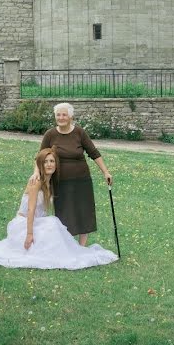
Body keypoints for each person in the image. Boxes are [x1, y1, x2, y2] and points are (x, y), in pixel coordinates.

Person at [0, 149, 118, 269]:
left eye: (52, 161)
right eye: (46, 162)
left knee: (53, 224)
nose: (49, 164)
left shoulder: (50, 182)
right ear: (40, 164)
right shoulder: (36, 182)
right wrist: (29, 234)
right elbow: (30, 211)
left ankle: (70, 252)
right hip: (24, 224)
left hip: (37, 222)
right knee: (53, 224)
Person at [33, 103, 113, 246]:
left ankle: (81, 247)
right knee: (64, 212)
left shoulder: (79, 133)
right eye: (58, 115)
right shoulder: (50, 134)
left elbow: (94, 153)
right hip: (60, 181)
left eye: (64, 115)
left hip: (81, 180)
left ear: (70, 117)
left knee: (84, 211)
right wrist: (36, 172)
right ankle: (66, 245)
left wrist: (105, 172)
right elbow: (40, 156)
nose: (61, 117)